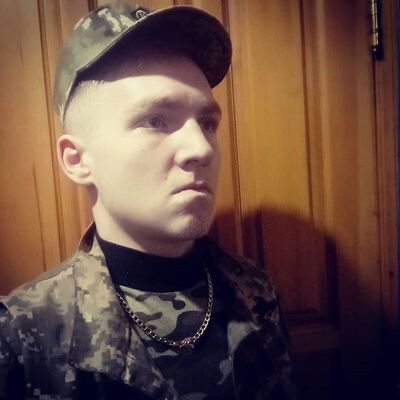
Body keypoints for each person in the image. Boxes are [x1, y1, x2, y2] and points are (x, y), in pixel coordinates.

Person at [0, 4, 295, 399]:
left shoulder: (257, 292)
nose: (201, 149)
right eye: (155, 121)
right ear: (78, 160)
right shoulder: (21, 336)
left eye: (207, 123)